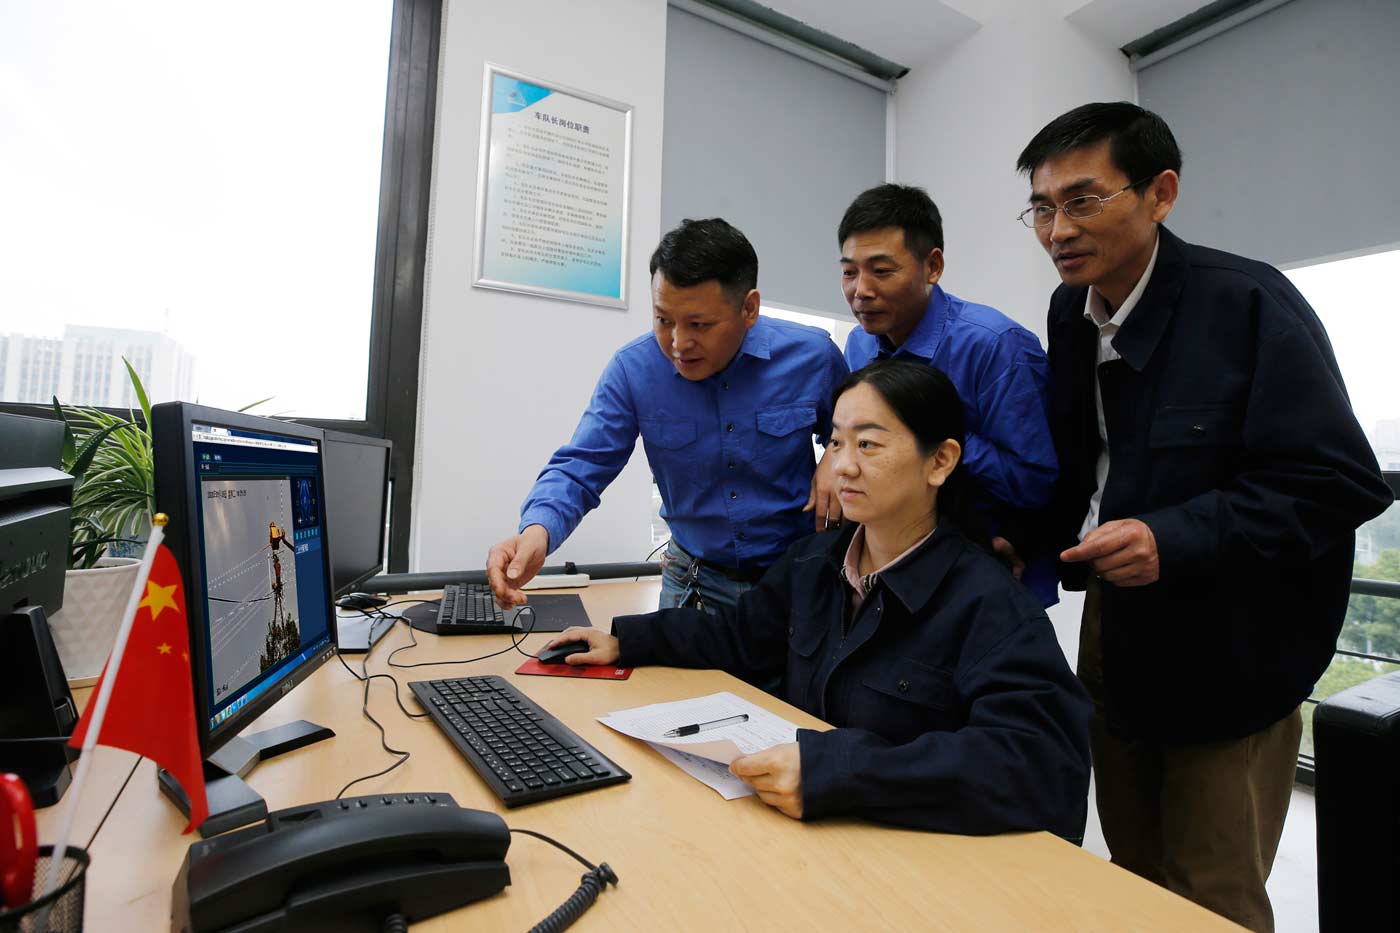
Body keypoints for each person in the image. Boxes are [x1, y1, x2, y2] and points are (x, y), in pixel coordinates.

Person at [1015, 101, 1392, 931]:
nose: (1058, 230)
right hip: (1119, 631)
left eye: (1082, 200)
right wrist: (1024, 541)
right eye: (1041, 208)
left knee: (1213, 891)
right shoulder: (1069, 315)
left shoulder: (1248, 303)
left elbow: (1337, 481)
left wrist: (1172, 535)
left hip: (1235, 649)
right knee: (1132, 873)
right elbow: (1081, 467)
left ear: (1161, 193)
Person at [544, 360, 1091, 836]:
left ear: (940, 462)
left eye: (868, 444)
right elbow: (739, 637)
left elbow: (1039, 764)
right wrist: (626, 641)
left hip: (908, 857)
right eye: (835, 442)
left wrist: (838, 771)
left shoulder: (989, 603)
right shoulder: (815, 562)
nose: (843, 465)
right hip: (807, 836)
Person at [487, 218, 849, 614]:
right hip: (695, 585)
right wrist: (537, 531)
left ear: (749, 308)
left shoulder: (813, 357)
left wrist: (836, 451)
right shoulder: (634, 370)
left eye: (699, 325)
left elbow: (862, 438)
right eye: (663, 320)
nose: (678, 343)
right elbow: (581, 466)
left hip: (797, 579)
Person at [837, 184, 1059, 606]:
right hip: (895, 562)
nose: (861, 290)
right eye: (849, 272)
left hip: (986, 569)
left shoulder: (995, 346)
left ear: (933, 266)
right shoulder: (859, 344)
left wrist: (932, 433)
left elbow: (1036, 482)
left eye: (881, 271)